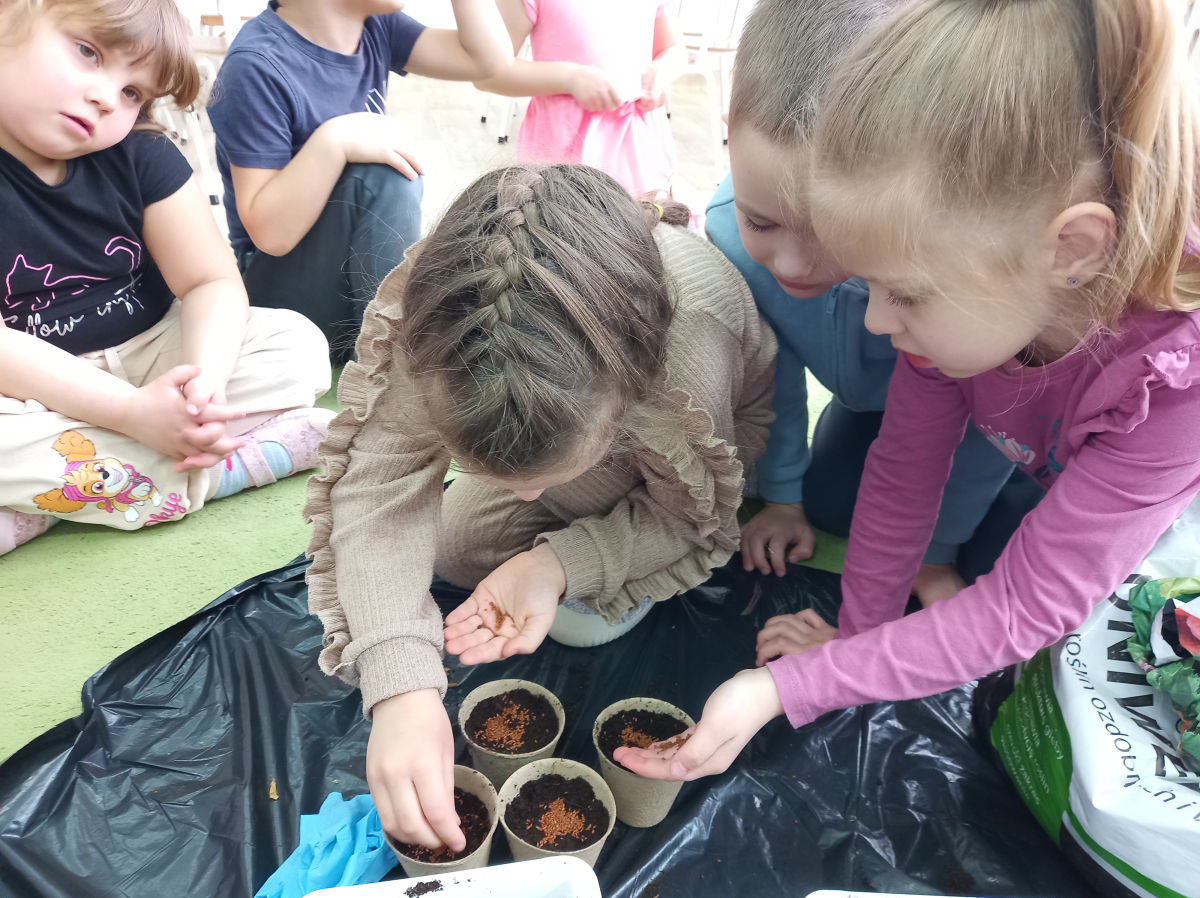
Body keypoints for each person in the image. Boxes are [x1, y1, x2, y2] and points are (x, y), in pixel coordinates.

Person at [618, 0, 1200, 782]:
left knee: (1028, 631)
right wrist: (856, 642)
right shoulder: (970, 289)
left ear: (1071, 249)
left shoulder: (1177, 388)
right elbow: (903, 473)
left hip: (1103, 471)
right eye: (872, 284)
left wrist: (795, 686)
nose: (875, 320)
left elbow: (1026, 606)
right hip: (1032, 431)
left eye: (906, 294)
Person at [304, 163, 775, 849]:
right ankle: (578, 508)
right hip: (591, 429)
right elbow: (378, 477)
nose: (527, 495)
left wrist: (564, 563)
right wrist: (400, 682)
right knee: (454, 546)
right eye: (491, 470)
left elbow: (691, 517)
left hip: (693, 451)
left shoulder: (686, 349)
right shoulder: (442, 308)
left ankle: (611, 544)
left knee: (595, 576)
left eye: (542, 480)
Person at [705, 0, 1022, 636]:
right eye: (760, 221)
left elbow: (988, 430)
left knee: (997, 556)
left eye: (830, 232)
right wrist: (783, 496)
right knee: (829, 504)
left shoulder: (955, 280)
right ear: (727, 132)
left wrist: (936, 553)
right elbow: (773, 377)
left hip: (993, 424)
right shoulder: (727, 237)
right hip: (879, 401)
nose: (792, 265)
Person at [0, 0, 333, 556]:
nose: (107, 98)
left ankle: (56, 495)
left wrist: (203, 392)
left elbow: (210, 282)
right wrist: (130, 413)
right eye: (88, 52)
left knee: (296, 345)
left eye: (133, 92)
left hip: (152, 350)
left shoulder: (143, 153)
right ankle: (229, 468)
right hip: (33, 389)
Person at [207, 0, 512, 361]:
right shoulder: (256, 64)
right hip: (279, 300)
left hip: (343, 272)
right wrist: (334, 139)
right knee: (386, 176)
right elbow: (270, 236)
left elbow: (489, 62)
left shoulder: (377, 27)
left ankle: (394, 335)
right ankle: (389, 363)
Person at [472, 0, 686, 197]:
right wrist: (569, 78)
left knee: (645, 220)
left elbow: (672, 48)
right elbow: (485, 74)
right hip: (562, 159)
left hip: (643, 152)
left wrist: (663, 71)